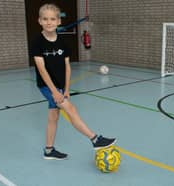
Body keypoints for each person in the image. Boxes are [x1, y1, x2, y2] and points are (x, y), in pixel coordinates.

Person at [30, 3, 116, 160]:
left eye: (52, 19)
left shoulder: (62, 43)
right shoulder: (37, 42)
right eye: (45, 19)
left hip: (61, 87)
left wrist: (66, 89)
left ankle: (49, 151)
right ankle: (95, 139)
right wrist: (55, 92)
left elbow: (67, 68)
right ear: (39, 21)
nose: (49, 22)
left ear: (58, 21)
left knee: (53, 117)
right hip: (47, 86)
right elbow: (42, 70)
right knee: (71, 110)